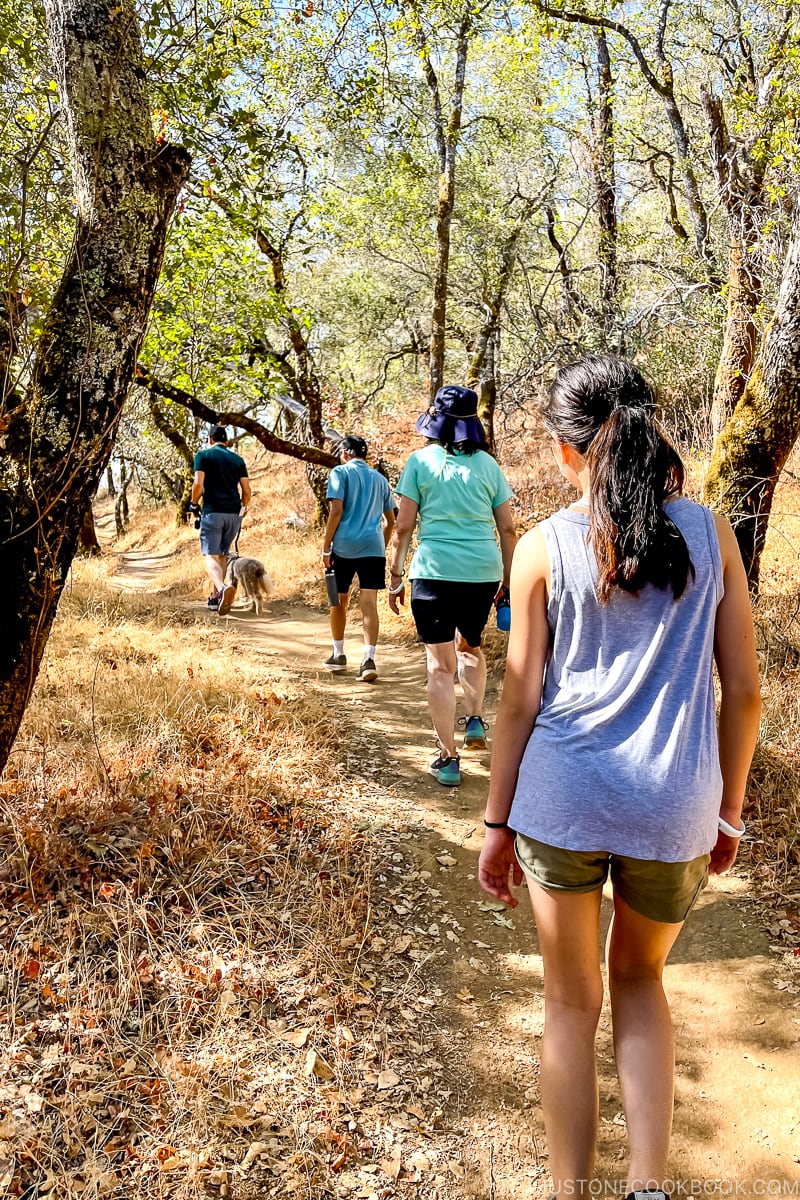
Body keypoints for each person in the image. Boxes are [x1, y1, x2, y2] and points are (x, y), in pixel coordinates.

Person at [478, 355, 761, 1200]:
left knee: (570, 1005)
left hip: (561, 802)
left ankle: (568, 1192)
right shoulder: (712, 536)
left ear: (568, 453)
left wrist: (496, 824)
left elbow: (519, 699)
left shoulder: (542, 547)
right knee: (641, 982)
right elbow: (742, 693)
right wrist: (729, 813)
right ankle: (646, 1187)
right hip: (675, 807)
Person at [388, 385, 517, 786]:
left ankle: (449, 758)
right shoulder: (489, 467)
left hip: (433, 572)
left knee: (439, 666)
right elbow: (508, 529)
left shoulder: (420, 463)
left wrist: (394, 575)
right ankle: (475, 718)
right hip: (482, 571)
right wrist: (509, 582)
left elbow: (404, 526)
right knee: (471, 646)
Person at [322, 435, 397, 683]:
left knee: (337, 600)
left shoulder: (339, 473)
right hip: (372, 549)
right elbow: (391, 521)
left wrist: (325, 548)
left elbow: (336, 511)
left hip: (342, 547)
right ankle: (368, 660)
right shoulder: (380, 479)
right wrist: (381, 545)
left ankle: (339, 654)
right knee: (369, 605)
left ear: (344, 453)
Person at [190, 425, 251, 616]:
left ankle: (222, 588)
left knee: (210, 555)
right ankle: (217, 598)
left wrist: (193, 503)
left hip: (213, 512)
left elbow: (198, 483)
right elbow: (247, 491)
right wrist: (242, 507)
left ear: (210, 439)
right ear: (226, 441)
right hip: (233, 514)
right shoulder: (237, 460)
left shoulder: (203, 456)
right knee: (223, 555)